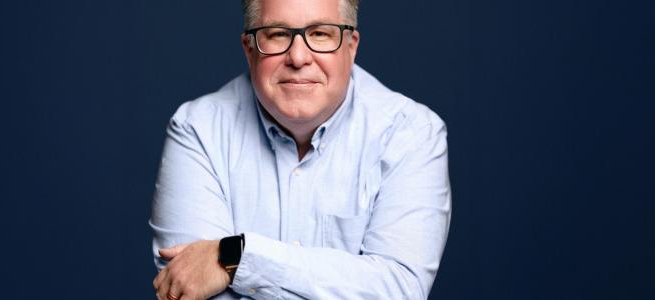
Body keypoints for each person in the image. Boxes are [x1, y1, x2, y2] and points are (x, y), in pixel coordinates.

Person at [150, 0, 451, 299]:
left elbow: (398, 290)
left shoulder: (412, 133)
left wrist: (235, 257)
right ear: (248, 48)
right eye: (277, 34)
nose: (298, 56)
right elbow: (186, 287)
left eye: (320, 33)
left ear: (351, 45)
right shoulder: (197, 130)